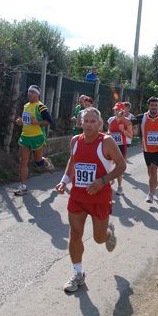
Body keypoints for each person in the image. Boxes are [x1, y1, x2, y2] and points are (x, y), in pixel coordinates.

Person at [55, 107, 126, 293]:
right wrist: (64, 180)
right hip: (78, 196)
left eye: (92, 121)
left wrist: (103, 181)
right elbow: (72, 161)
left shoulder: (107, 142)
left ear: (100, 124)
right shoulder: (75, 141)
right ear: (81, 123)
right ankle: (78, 274)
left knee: (99, 238)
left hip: (99, 197)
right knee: (75, 233)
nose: (88, 125)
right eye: (85, 121)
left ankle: (109, 232)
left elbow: (121, 165)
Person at [14, 85, 54, 196]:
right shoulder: (26, 106)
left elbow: (49, 121)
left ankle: (47, 162)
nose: (30, 94)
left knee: (38, 162)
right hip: (25, 137)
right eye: (29, 92)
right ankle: (23, 186)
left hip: (37, 137)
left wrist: (38, 122)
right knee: (23, 160)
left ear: (37, 94)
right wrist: (20, 121)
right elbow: (26, 120)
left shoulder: (41, 107)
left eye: (32, 92)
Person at [107, 102, 133, 195]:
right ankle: (110, 179)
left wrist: (123, 131)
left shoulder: (127, 121)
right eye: (116, 110)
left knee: (119, 165)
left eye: (119, 109)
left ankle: (119, 186)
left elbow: (130, 136)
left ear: (123, 110)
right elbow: (109, 130)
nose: (117, 111)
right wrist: (108, 134)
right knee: (107, 163)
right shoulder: (110, 120)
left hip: (122, 146)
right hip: (111, 145)